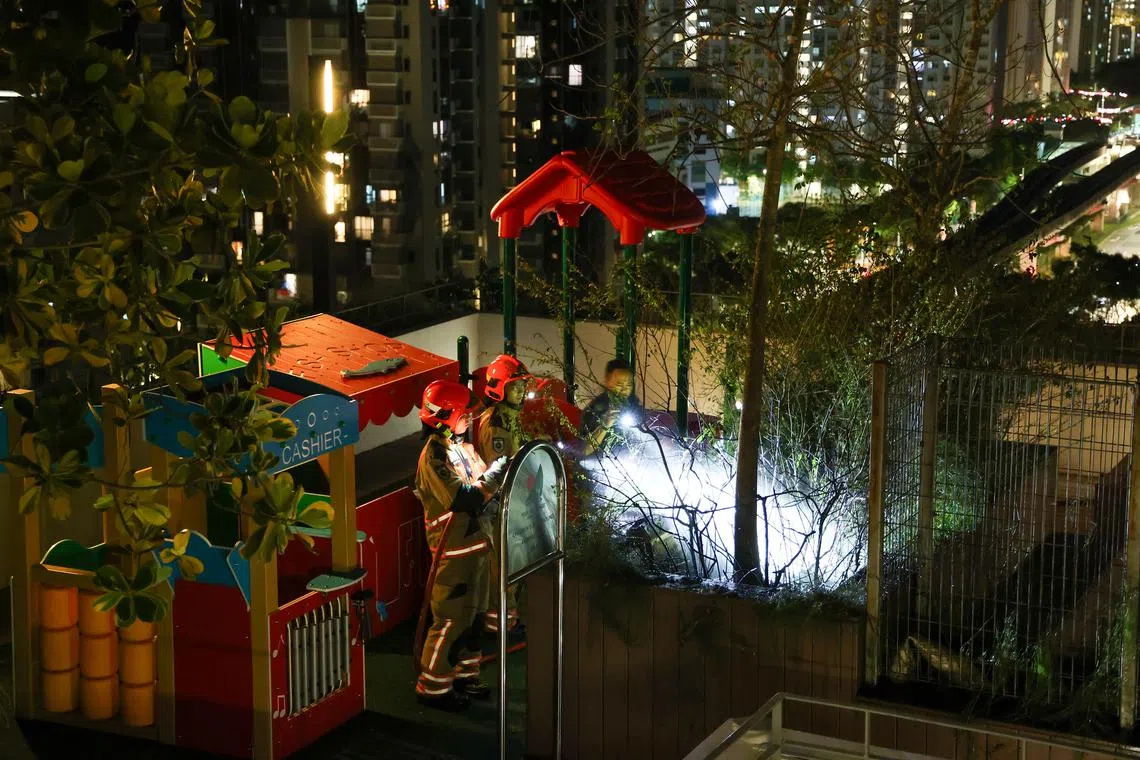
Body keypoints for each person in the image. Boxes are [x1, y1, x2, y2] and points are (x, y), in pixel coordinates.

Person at [414, 379, 508, 712]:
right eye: (462, 413)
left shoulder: (460, 447)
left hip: (477, 545)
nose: (469, 418)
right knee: (452, 618)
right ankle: (434, 687)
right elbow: (463, 497)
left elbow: (482, 490)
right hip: (453, 552)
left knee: (475, 617)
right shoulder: (433, 456)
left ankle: (464, 676)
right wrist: (497, 474)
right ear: (445, 415)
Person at [474, 354, 532, 636]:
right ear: (499, 387)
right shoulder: (496, 422)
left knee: (515, 562)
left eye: (523, 385)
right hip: (499, 505)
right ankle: (499, 626)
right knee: (503, 565)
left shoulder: (512, 417)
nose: (521, 391)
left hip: (514, 501)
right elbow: (499, 466)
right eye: (515, 386)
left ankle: (509, 619)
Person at [579, 357, 644, 456]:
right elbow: (584, 450)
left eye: (629, 385)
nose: (624, 390)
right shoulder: (595, 410)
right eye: (619, 384)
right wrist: (605, 424)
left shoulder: (635, 407)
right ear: (607, 381)